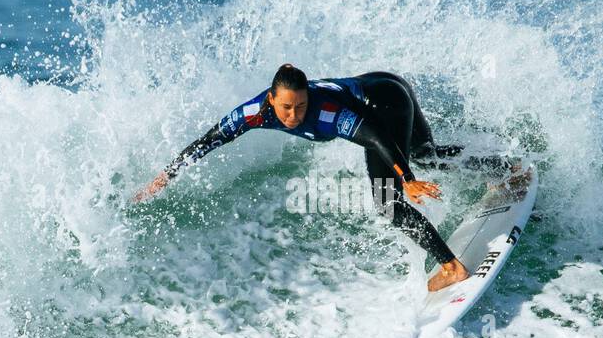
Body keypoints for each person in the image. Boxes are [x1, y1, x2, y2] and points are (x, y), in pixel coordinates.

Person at [133, 64, 472, 291]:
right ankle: (504, 169)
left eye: (300, 105)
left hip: (385, 104)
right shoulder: (254, 114)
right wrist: (167, 175)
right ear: (271, 100)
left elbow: (374, 137)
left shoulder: (326, 111)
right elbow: (210, 139)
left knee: (388, 204)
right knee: (429, 155)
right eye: (286, 108)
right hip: (384, 83)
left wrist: (406, 177)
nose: (294, 115)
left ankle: (451, 267)